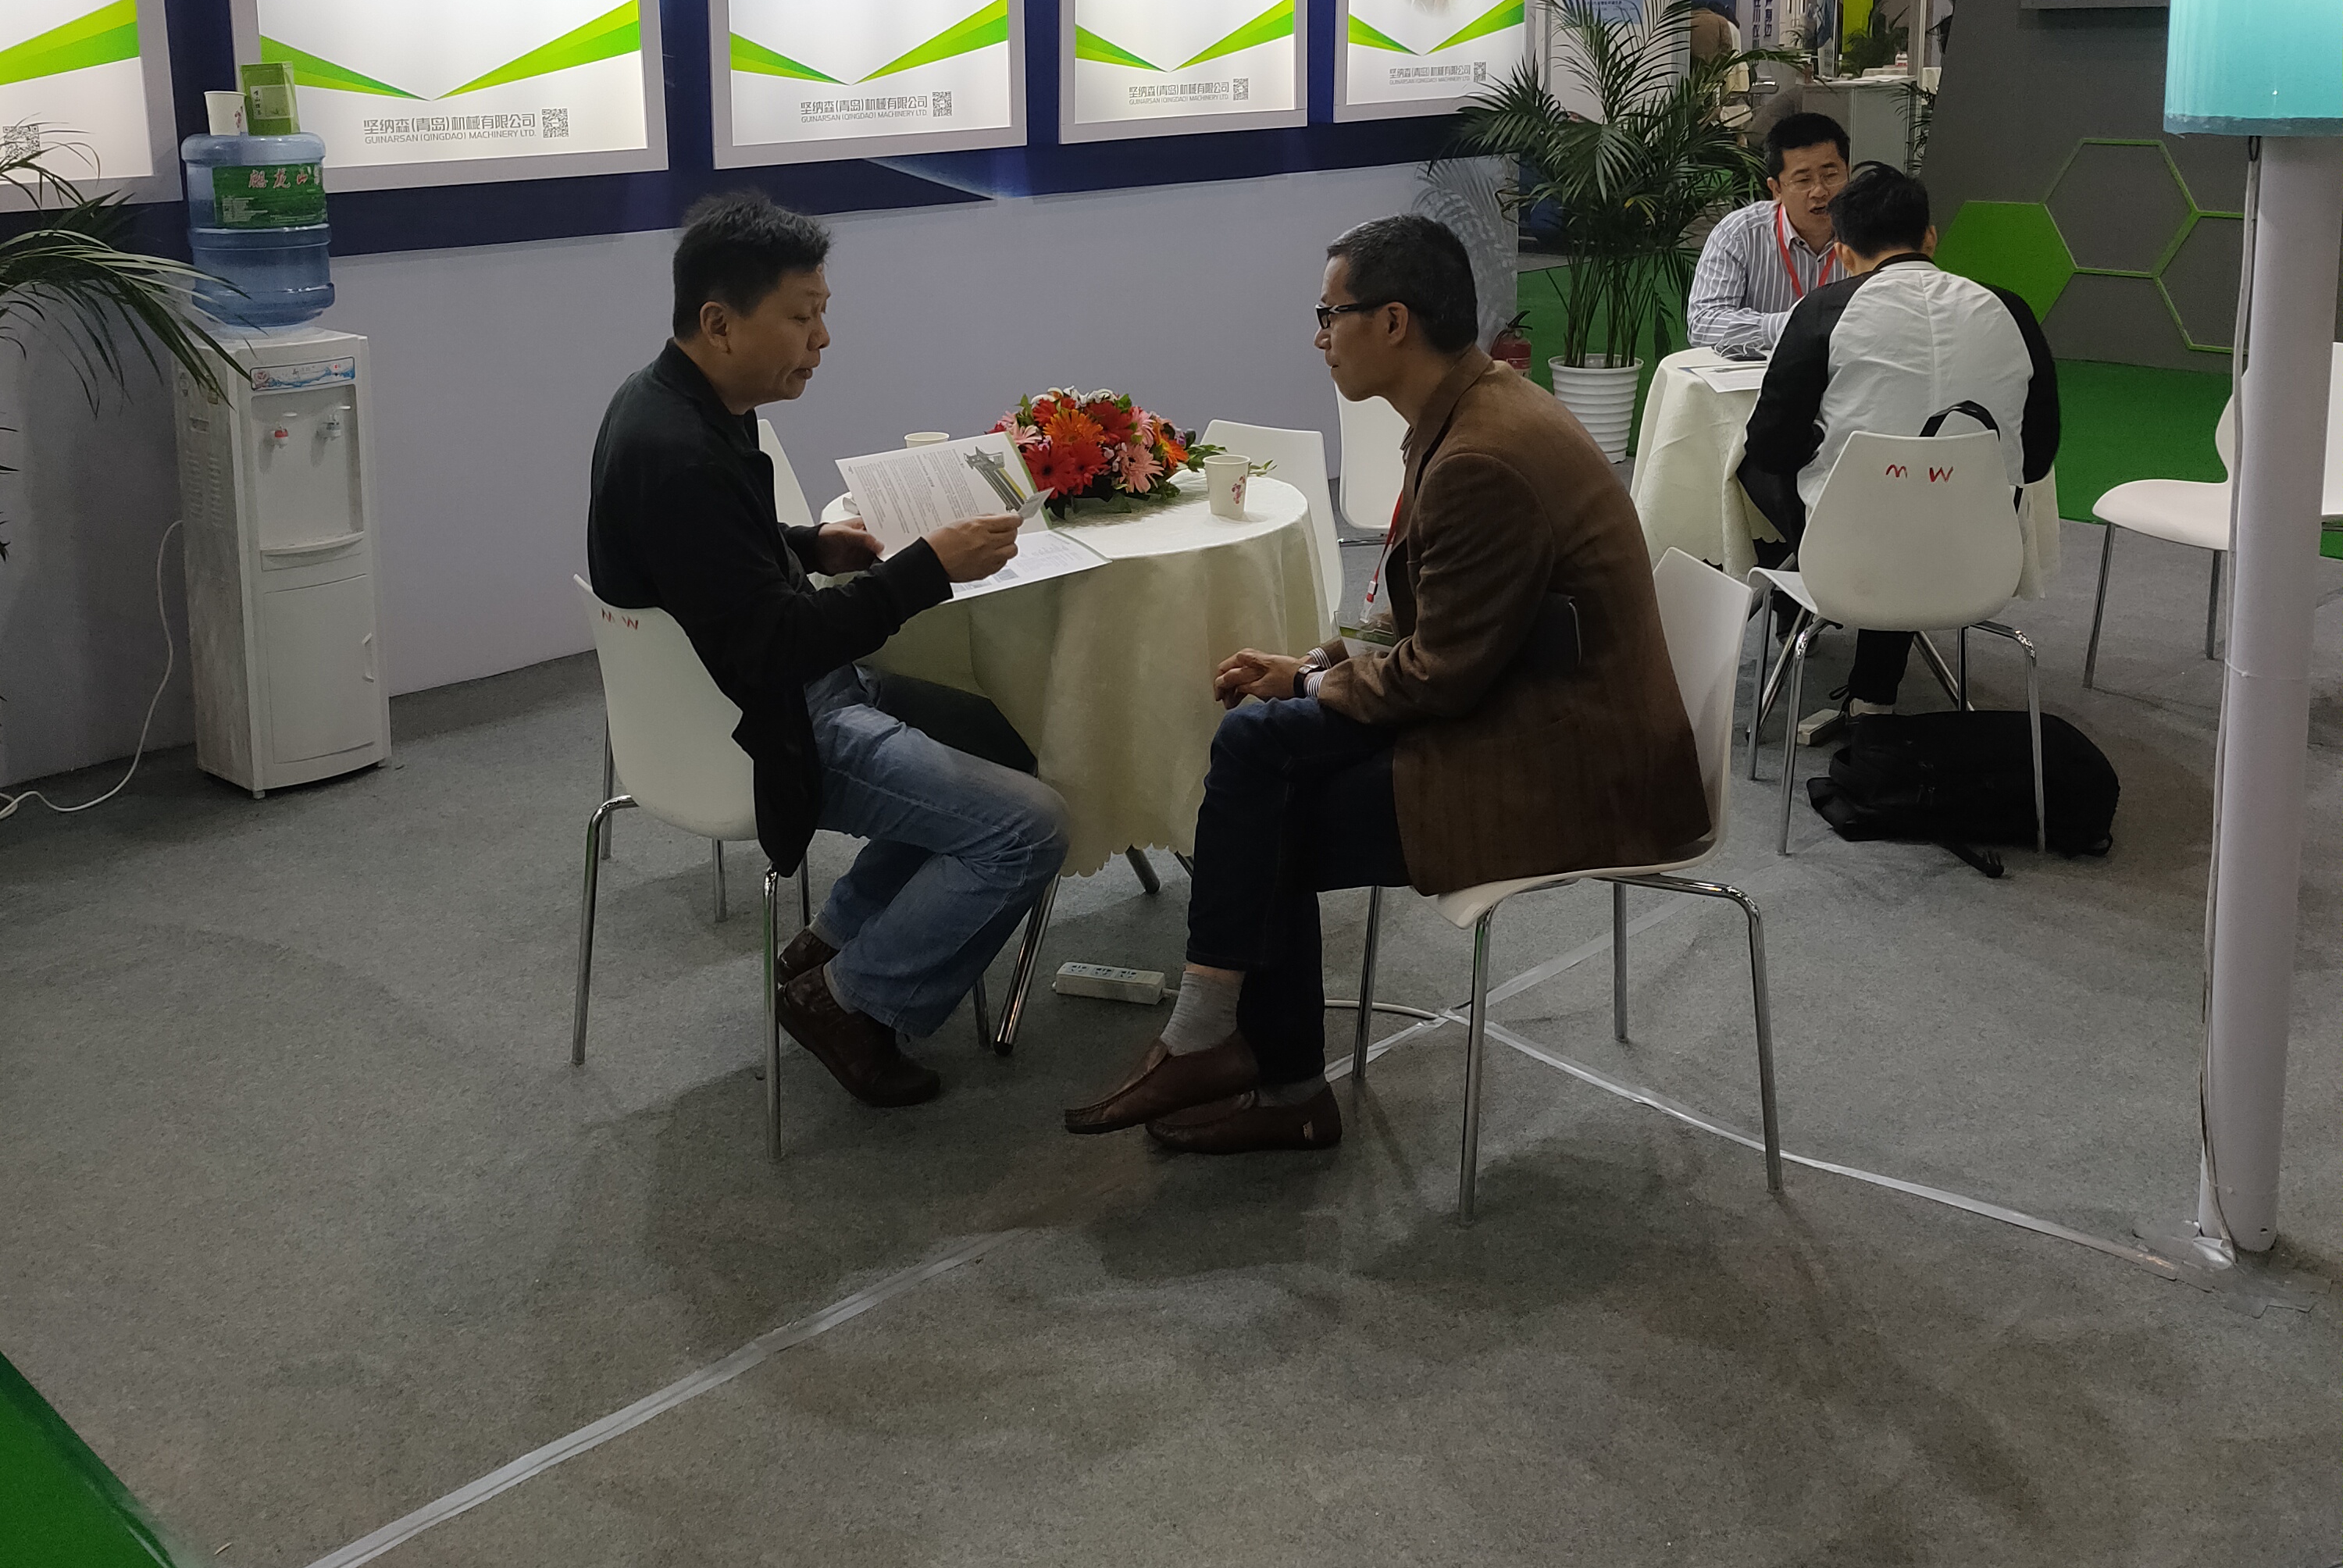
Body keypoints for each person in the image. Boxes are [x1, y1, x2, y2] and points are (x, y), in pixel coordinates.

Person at [1064, 214, 1709, 1157]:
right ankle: (1253, 1066)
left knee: (1262, 791)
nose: (1319, 337)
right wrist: (1315, 667)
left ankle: (1243, 1058)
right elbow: (1441, 628)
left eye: (1331, 315)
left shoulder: (1481, 455)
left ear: (1395, 321)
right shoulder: (1473, 411)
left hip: (1570, 764)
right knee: (1263, 772)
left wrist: (1311, 682)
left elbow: (1438, 675)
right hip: (1531, 705)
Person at [587, 194, 1068, 1111]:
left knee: (1010, 737)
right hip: (768, 726)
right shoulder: (680, 452)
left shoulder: (672, 402)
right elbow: (782, 643)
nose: (822, 338)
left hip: (762, 691)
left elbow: (712, 558)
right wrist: (928, 568)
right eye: (802, 316)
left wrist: (809, 545)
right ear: (720, 323)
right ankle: (852, 1001)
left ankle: (835, 939)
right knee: (1031, 825)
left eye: (823, 312)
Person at [1737, 162, 2059, 738]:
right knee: (1910, 502)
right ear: (1930, 238)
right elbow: (2036, 457)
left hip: (1850, 554)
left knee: (1755, 465)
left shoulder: (1825, 311)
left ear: (1843, 252)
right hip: (1980, 551)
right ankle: (1872, 696)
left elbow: (1772, 445)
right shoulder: (2010, 310)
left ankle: (1797, 610)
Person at [1685, 111, 1853, 358]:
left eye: (1831, 176)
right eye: (1803, 180)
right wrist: (1790, 325)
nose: (1819, 191)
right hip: (1761, 376)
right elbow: (1703, 325)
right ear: (1776, 189)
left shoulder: (1874, 230)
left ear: (1848, 173)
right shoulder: (1740, 234)